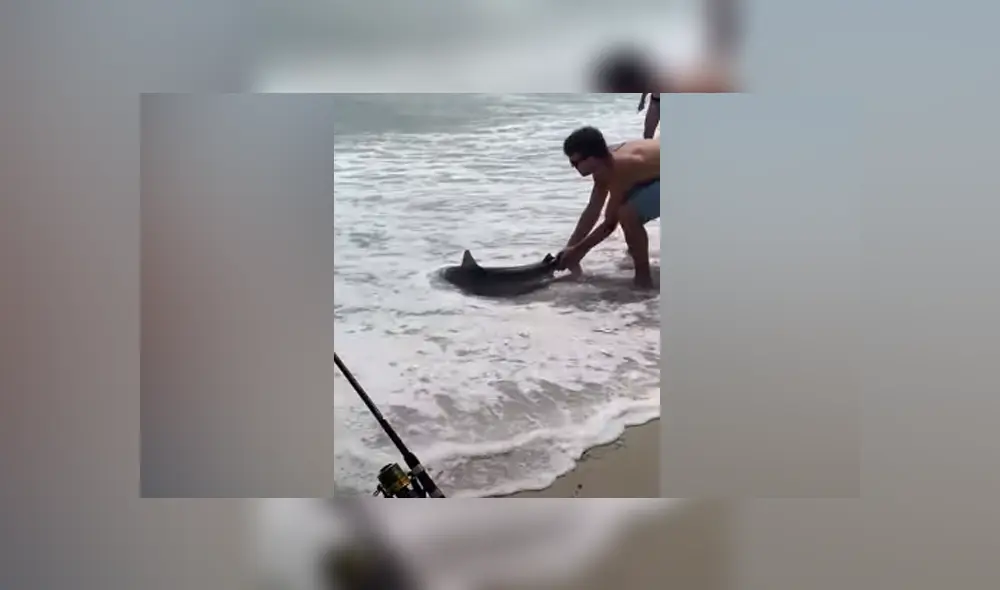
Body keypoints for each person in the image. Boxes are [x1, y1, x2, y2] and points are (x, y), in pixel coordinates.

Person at [557, 127, 660, 289]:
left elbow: (609, 224)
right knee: (628, 210)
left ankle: (643, 280)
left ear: (592, 157)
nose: (573, 167)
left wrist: (578, 251)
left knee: (628, 214)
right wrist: (570, 249)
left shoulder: (621, 167)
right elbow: (592, 210)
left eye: (575, 162)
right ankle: (638, 260)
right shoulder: (604, 164)